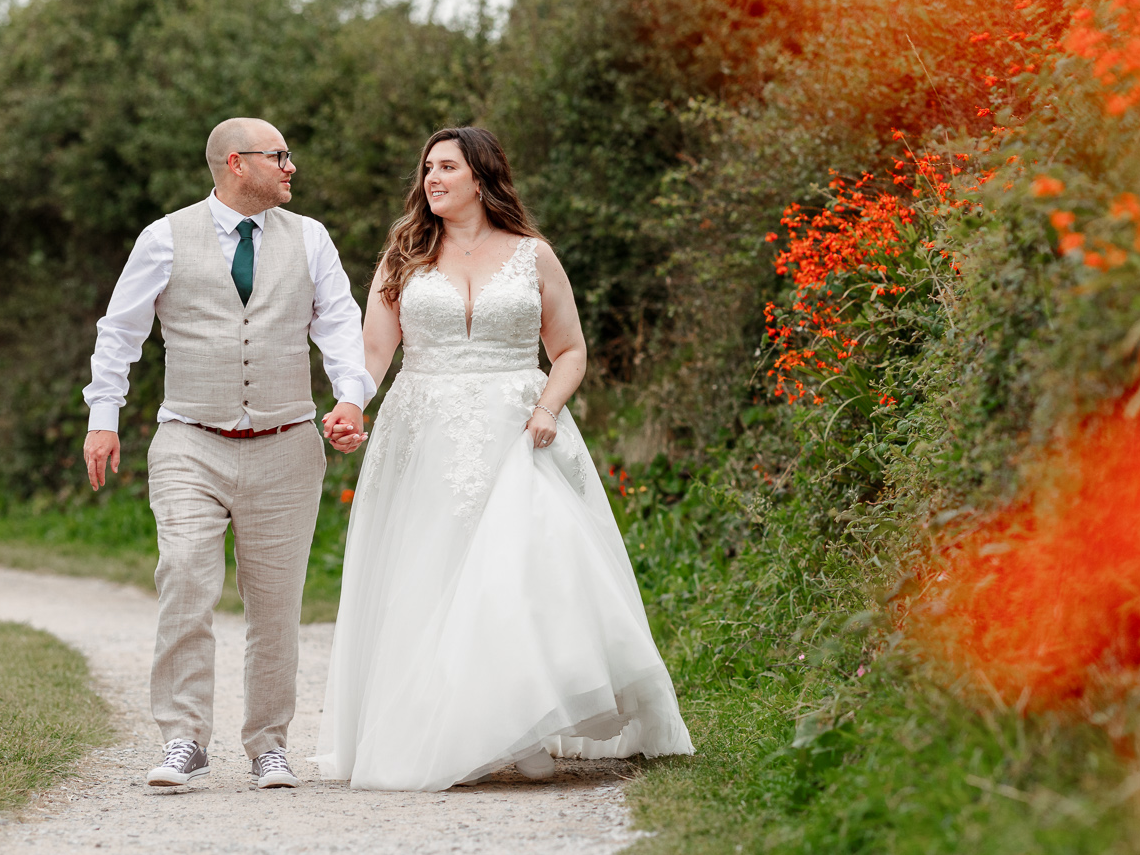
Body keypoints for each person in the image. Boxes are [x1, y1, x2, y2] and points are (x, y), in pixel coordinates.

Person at [313, 126, 691, 790]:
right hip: (423, 430)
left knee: (520, 573)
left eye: (448, 168)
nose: (432, 178)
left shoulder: (532, 255)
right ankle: (443, 728)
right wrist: (351, 406)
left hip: (519, 430)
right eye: (428, 168)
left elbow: (569, 350)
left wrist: (546, 408)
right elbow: (374, 354)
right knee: (431, 576)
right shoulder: (402, 256)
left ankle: (521, 725)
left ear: (482, 178)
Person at [82, 118, 373, 792]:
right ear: (237, 164)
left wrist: (350, 397)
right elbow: (119, 330)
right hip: (191, 439)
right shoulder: (164, 237)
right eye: (280, 156)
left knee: (276, 604)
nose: (291, 166)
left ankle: (269, 743)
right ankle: (184, 738)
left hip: (287, 444)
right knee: (184, 576)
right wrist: (104, 417)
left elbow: (339, 324)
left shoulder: (312, 239)